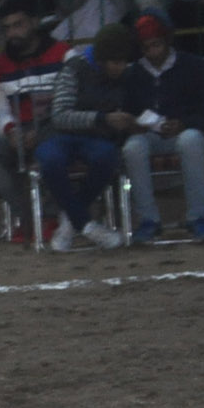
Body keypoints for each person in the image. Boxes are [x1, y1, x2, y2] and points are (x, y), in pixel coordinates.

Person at [36, 21, 141, 251]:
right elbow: (60, 116)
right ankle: (85, 224)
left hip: (97, 138)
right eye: (116, 62)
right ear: (102, 60)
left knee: (107, 157)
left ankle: (70, 221)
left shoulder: (128, 75)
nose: (121, 67)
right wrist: (103, 119)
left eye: (124, 62)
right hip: (58, 135)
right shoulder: (74, 68)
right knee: (51, 161)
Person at [0, 1, 75, 243]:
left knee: (49, 147)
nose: (12, 33)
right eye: (7, 28)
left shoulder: (64, 54)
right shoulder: (0, 64)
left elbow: (75, 100)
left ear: (34, 23)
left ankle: (50, 216)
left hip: (58, 125)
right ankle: (28, 218)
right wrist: (10, 130)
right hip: (20, 131)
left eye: (18, 25)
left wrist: (41, 128)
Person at [121, 14, 204, 243]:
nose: (152, 52)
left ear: (167, 41)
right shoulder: (133, 74)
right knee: (132, 149)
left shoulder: (193, 66)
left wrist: (183, 123)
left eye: (156, 45)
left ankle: (198, 217)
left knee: (190, 141)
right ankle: (148, 219)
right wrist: (137, 124)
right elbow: (127, 111)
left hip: (186, 130)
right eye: (146, 47)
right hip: (148, 134)